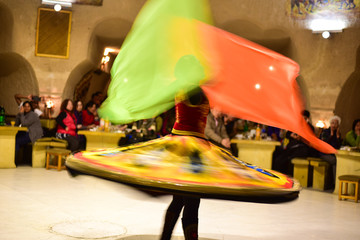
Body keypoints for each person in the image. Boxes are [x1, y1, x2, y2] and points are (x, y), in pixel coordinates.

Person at [160, 88, 209, 240]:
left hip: (183, 147)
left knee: (179, 199)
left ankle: (165, 237)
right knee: (191, 201)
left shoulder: (182, 89)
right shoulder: (195, 91)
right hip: (190, 150)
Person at [272, 110, 315, 175]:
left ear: (307, 119)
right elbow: (287, 134)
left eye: (304, 118)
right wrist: (291, 135)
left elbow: (310, 140)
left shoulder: (310, 127)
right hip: (291, 147)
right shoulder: (295, 125)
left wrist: (301, 138)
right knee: (277, 155)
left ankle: (285, 176)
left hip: (301, 148)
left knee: (287, 160)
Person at [319, 115, 342, 189]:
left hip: (332, 154)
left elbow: (339, 147)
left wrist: (338, 137)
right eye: (332, 123)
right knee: (335, 161)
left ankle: (334, 183)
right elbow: (323, 144)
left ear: (338, 125)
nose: (333, 125)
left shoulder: (338, 133)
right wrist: (331, 136)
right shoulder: (325, 132)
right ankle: (335, 183)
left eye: (335, 124)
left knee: (339, 160)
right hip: (323, 153)